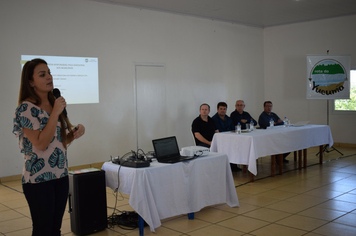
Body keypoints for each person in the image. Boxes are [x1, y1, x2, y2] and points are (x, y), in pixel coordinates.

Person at [13, 58, 85, 236]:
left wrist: (74, 133)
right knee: (43, 230)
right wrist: (55, 113)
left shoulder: (54, 103)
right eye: (42, 74)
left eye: (49, 72)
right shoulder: (26, 109)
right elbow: (40, 143)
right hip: (38, 180)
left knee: (55, 229)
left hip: (60, 175)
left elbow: (60, 142)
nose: (49, 77)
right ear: (31, 82)